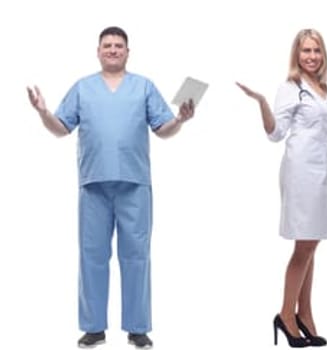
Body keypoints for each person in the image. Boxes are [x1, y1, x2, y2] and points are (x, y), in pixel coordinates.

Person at [26, 26, 199, 350]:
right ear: (98, 51)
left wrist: (181, 120)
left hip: (134, 185)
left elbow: (163, 129)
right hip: (94, 185)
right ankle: (93, 328)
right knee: (92, 256)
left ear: (128, 52)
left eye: (119, 45)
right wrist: (42, 112)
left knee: (136, 257)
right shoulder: (82, 88)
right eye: (107, 45)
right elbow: (61, 128)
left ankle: (137, 328)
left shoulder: (144, 87)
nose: (113, 50)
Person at [230, 28, 327, 348]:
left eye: (316, 51)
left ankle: (306, 313)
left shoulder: (325, 90)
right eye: (306, 51)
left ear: (323, 55)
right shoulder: (291, 88)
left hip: (322, 175)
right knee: (304, 247)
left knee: (311, 246)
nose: (312, 57)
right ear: (296, 55)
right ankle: (286, 315)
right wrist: (261, 103)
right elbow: (275, 134)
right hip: (300, 173)